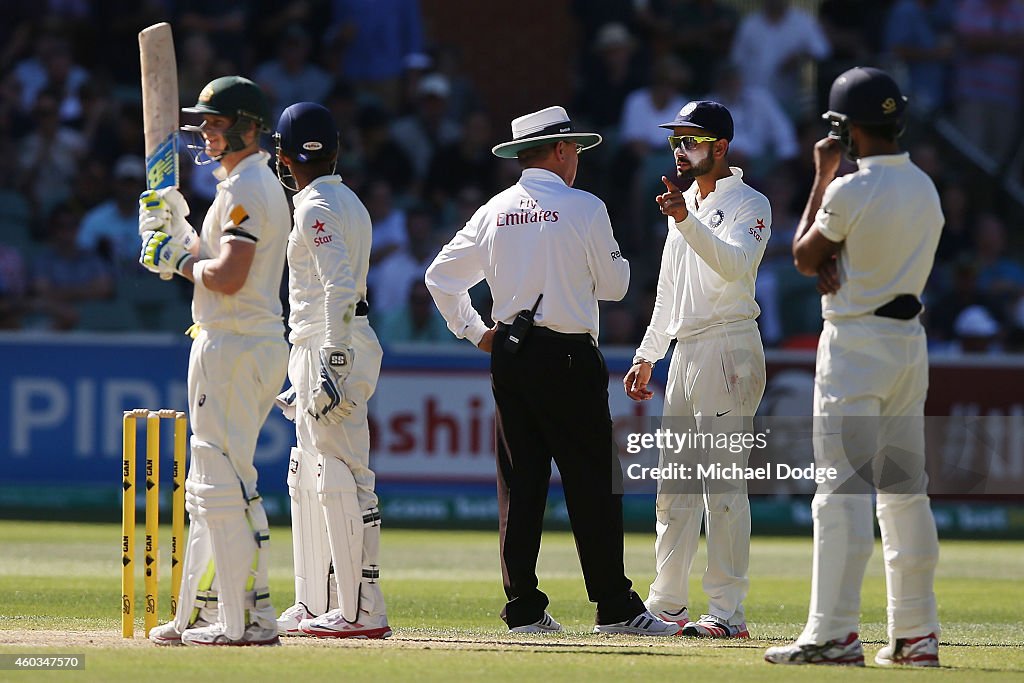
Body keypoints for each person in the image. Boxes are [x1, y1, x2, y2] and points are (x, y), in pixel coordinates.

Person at [425, 105, 678, 637]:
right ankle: (614, 606)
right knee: (591, 483)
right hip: (567, 353)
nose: (578, 159)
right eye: (576, 150)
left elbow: (440, 278)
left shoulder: (494, 210)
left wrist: (476, 333)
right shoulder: (584, 207)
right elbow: (615, 287)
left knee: (519, 485)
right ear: (562, 150)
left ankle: (523, 610)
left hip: (512, 357)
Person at [764, 66, 943, 667]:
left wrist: (821, 175)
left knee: (840, 493)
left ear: (845, 129)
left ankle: (834, 633)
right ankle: (916, 635)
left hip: (855, 343)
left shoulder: (849, 188)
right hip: (908, 344)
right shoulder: (925, 187)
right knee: (904, 493)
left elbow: (802, 254)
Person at [139, 76, 290, 647]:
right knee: (210, 482)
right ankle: (203, 614)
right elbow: (215, 259)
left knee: (221, 480)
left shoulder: (247, 187)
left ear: (250, 128)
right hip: (232, 339)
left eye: (216, 123)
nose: (205, 133)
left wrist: (177, 261)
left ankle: (244, 621)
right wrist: (172, 231)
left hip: (237, 342)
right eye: (202, 123)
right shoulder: (242, 185)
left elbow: (228, 276)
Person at [623, 101, 771, 639]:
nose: (681, 151)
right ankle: (667, 604)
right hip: (686, 349)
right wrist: (647, 353)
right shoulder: (681, 202)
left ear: (721, 148)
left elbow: (734, 265)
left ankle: (728, 614)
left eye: (691, 141)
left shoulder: (751, 204)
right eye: (676, 142)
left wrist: (685, 220)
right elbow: (669, 290)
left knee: (723, 487)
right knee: (674, 487)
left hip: (730, 346)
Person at [271, 101, 391, 639]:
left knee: (343, 476)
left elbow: (342, 289)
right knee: (310, 474)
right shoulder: (349, 201)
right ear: (337, 150)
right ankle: (314, 600)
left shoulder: (314, 207)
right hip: (320, 342)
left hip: (331, 342)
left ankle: (362, 609)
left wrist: (332, 367)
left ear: (282, 157)